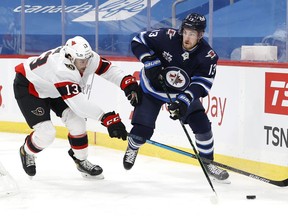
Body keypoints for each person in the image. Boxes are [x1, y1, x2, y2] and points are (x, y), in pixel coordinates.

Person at [13, 36, 140, 179]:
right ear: (69, 57)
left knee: (78, 123)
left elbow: (108, 69)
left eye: (87, 59)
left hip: (54, 88)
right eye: (81, 61)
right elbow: (79, 104)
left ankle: (81, 160)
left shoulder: (86, 58)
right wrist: (106, 119)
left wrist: (127, 82)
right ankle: (26, 151)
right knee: (47, 133)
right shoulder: (61, 69)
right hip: (31, 88)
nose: (85, 64)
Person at [123, 13, 229, 182]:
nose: (187, 38)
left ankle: (208, 163)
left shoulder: (208, 56)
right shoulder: (167, 37)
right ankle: (133, 147)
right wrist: (148, 60)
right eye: (186, 32)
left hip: (181, 93)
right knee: (141, 131)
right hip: (152, 89)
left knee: (202, 125)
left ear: (200, 35)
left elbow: (201, 84)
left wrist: (183, 102)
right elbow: (138, 40)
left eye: (192, 34)